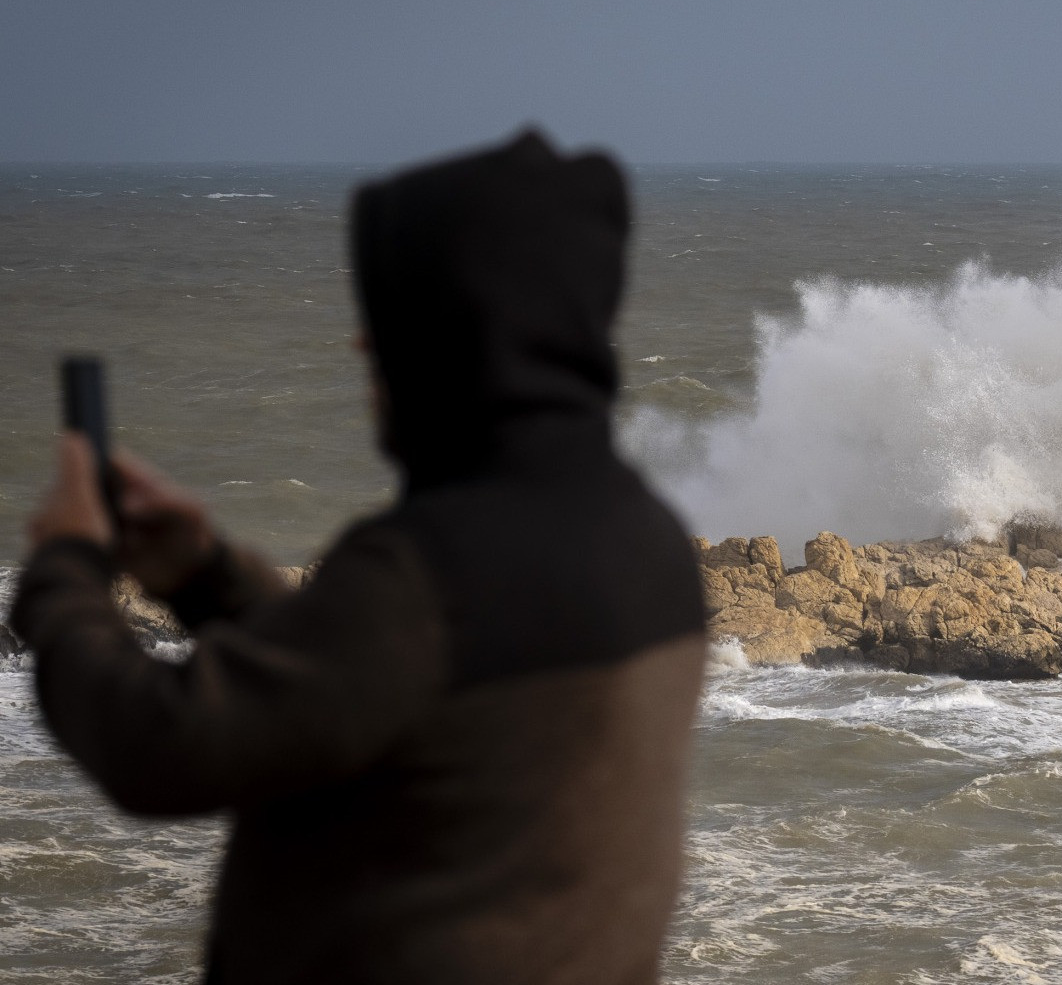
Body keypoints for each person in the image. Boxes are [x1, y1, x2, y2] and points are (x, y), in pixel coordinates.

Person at [7, 131, 709, 983]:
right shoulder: (649, 541)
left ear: (459, 337)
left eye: (387, 321)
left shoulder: (427, 575)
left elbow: (156, 747)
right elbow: (386, 692)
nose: (360, 350)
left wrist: (66, 568)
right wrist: (206, 577)